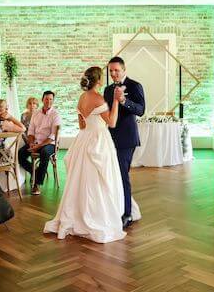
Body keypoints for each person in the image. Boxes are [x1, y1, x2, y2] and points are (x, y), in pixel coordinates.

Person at [44, 66, 127, 243]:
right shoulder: (98, 98)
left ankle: (77, 215)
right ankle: (94, 217)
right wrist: (116, 101)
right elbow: (112, 123)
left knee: (80, 180)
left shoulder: (82, 98)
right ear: (98, 80)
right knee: (97, 181)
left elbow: (82, 126)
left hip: (83, 139)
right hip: (99, 140)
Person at [104, 57, 145, 229]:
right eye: (110, 71)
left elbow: (141, 110)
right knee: (112, 175)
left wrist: (123, 101)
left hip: (127, 139)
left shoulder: (135, 86)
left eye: (116, 70)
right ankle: (115, 207)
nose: (113, 73)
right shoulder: (107, 90)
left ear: (123, 69)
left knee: (122, 176)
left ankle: (127, 213)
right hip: (109, 138)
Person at [19, 91, 61, 196]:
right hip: (36, 142)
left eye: (51, 99)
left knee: (45, 153)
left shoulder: (55, 115)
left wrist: (39, 146)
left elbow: (52, 136)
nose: (48, 101)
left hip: (49, 144)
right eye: (46, 99)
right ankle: (36, 172)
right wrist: (32, 143)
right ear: (42, 100)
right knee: (20, 154)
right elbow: (31, 131)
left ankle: (37, 184)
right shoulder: (36, 114)